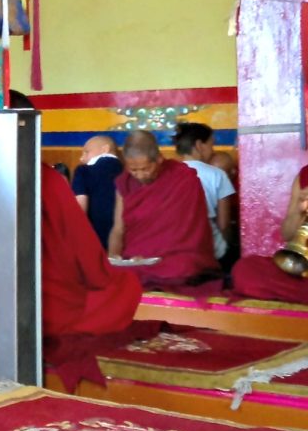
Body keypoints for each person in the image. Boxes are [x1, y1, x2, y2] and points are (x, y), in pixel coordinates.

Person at [107, 129, 219, 286]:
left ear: (159, 159)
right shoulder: (124, 183)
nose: (140, 175)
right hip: (134, 259)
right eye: (133, 170)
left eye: (145, 169)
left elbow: (191, 233)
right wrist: (113, 257)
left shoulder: (183, 178)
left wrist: (150, 256)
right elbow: (118, 228)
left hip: (172, 258)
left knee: (185, 267)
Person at [42, 162, 141, 336]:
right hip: (44, 292)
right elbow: (78, 235)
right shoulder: (46, 178)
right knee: (121, 288)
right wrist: (101, 269)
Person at [230, 163, 308, 304]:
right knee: (246, 269)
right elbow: (287, 235)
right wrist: (299, 209)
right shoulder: (304, 176)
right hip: (301, 270)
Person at [174, 122, 235, 262]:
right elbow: (224, 224)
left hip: (174, 246)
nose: (212, 151)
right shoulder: (217, 175)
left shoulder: (166, 174)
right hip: (207, 247)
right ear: (199, 145)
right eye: (211, 145)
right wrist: (230, 247)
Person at [71, 135, 122, 249]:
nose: (82, 158)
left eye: (86, 152)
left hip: (95, 239)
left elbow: (80, 208)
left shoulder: (84, 171)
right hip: (126, 240)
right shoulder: (129, 171)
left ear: (105, 149)